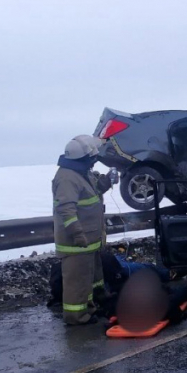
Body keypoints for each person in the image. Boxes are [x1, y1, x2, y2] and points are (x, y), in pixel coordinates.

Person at [52, 134, 119, 325]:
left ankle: (96, 301)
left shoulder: (81, 172)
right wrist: (78, 235)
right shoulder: (67, 178)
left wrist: (107, 181)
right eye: (93, 156)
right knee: (78, 283)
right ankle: (77, 317)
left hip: (89, 240)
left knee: (93, 277)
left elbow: (94, 190)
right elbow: (66, 210)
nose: (95, 159)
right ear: (85, 157)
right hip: (77, 244)